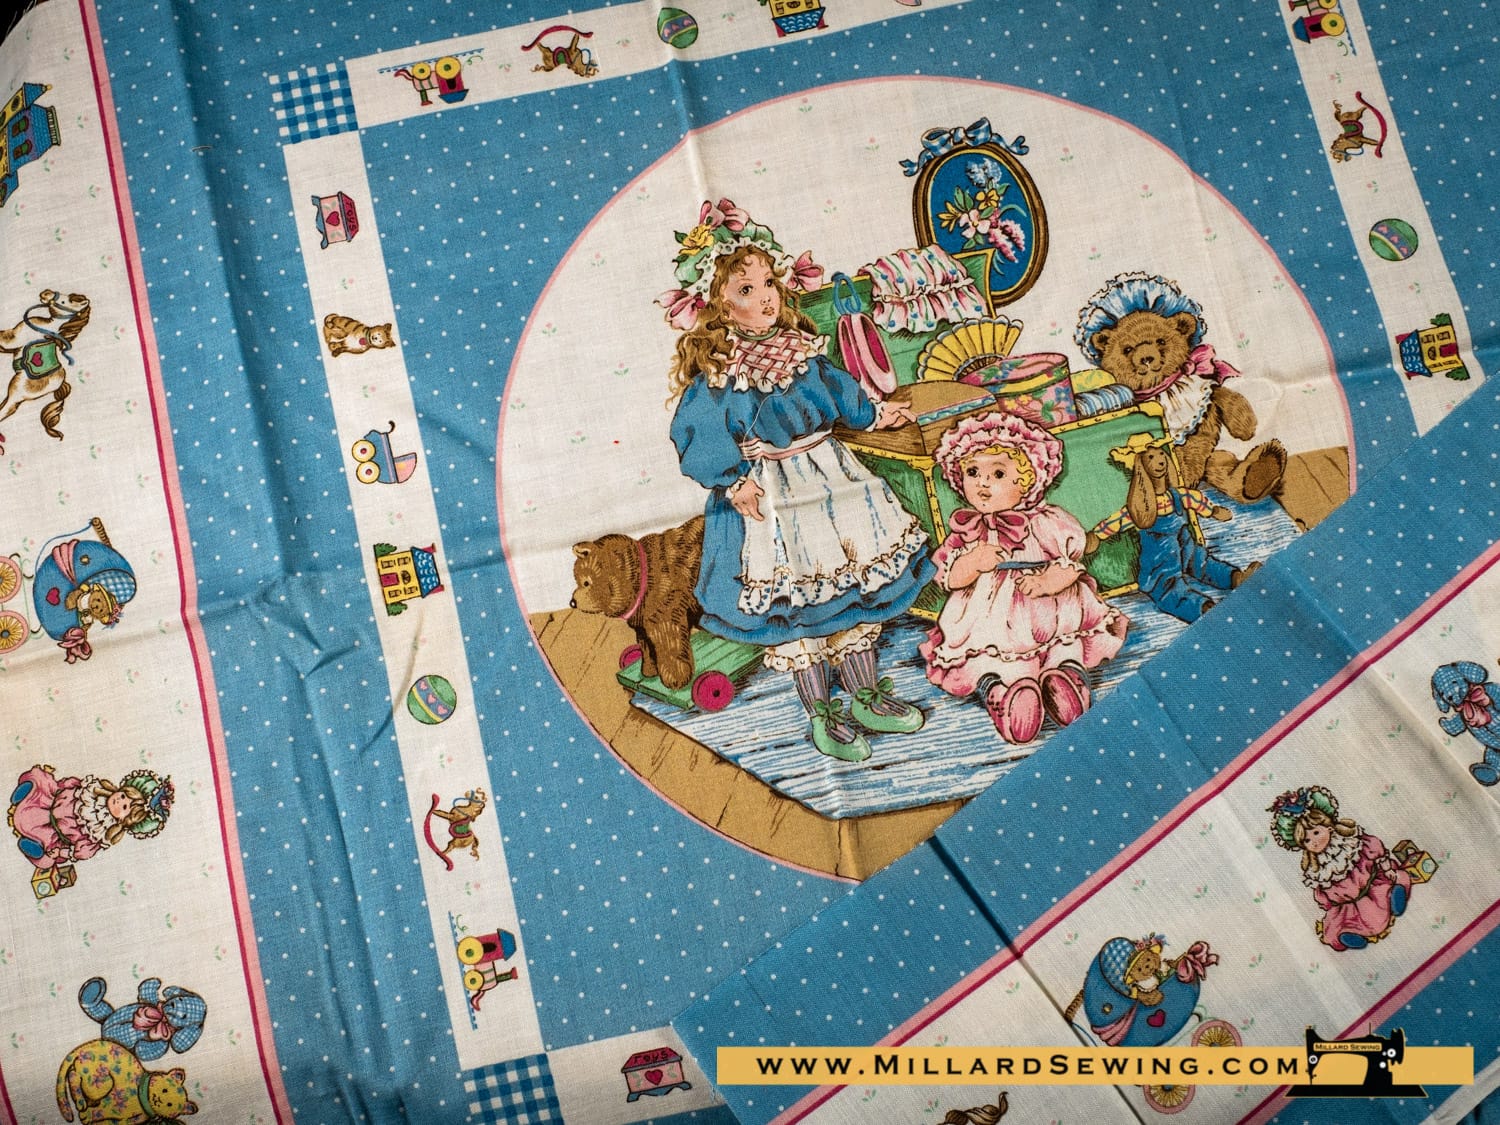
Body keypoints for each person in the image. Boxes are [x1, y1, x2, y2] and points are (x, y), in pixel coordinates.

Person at [659, 198, 932, 763]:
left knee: (854, 591)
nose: (765, 298)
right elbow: (698, 433)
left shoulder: (801, 351)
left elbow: (843, 395)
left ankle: (865, 695)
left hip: (830, 474)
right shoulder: (721, 373)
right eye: (746, 290)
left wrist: (875, 415)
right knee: (797, 610)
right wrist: (733, 481)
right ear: (719, 308)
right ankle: (822, 712)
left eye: (768, 285)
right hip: (768, 490)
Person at [920, 412, 1127, 742]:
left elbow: (1069, 561)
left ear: (1028, 480)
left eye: (998, 473)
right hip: (992, 617)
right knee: (995, 660)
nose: (982, 483)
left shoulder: (1046, 521)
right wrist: (972, 562)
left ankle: (1067, 680)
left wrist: (1048, 581)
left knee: (1064, 647)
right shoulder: (968, 531)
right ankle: (1006, 695)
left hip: (1050, 610)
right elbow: (948, 577)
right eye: (972, 472)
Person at [1268, 785, 1416, 951]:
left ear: (1329, 826)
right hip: (1351, 904)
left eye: (1316, 833)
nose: (1314, 842)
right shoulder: (1318, 871)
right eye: (1307, 841)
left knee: (1392, 882)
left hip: (1374, 884)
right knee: (1337, 925)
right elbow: (1323, 894)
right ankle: (1348, 935)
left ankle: (1394, 896)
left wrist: (1387, 869)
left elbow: (1375, 852)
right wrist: (1329, 904)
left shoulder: (1351, 843)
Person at [8, 765, 173, 874]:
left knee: (45, 855)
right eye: (123, 796)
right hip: (49, 800)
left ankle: (33, 846)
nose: (119, 801)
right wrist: (63, 784)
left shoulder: (98, 833)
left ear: (126, 820)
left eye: (124, 807)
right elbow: (72, 784)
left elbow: (81, 852)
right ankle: (29, 790)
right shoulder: (92, 791)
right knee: (41, 781)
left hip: (52, 832)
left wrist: (60, 852)